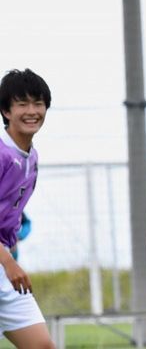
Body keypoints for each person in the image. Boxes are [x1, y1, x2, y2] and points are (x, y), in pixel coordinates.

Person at [0, 68, 55, 348]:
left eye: (38, 103)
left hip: (4, 266)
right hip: (5, 264)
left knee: (42, 346)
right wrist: (9, 262)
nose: (32, 111)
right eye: (22, 104)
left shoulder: (31, 158)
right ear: (6, 111)